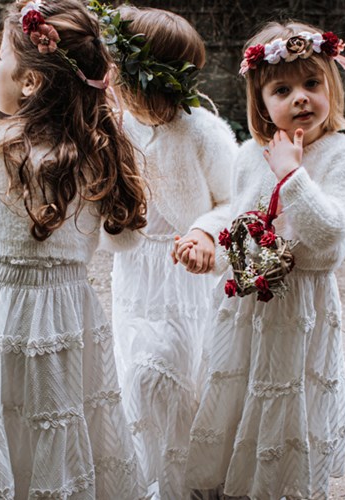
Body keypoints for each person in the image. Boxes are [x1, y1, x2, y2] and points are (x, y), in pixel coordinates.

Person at [0, 1, 148, 498]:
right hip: (67, 314)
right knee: (65, 416)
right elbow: (127, 239)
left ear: (29, 81)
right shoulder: (100, 152)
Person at [182, 20, 345, 499]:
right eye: (282, 89)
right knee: (240, 401)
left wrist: (292, 175)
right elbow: (245, 228)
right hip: (248, 309)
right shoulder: (250, 154)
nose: (300, 98)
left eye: (312, 83)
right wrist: (212, 251)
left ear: (332, 83)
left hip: (300, 309)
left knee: (287, 404)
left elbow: (328, 239)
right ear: (261, 102)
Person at [94, 3, 238, 498]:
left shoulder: (203, 132)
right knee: (137, 372)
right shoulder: (113, 129)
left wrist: (205, 233)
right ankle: (149, 475)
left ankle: (189, 479)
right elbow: (105, 210)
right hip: (135, 270)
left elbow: (233, 200)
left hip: (186, 274)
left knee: (176, 374)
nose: (110, 77)